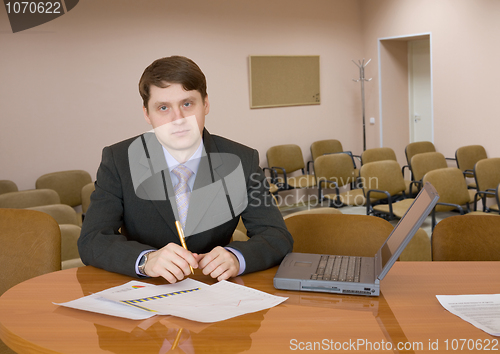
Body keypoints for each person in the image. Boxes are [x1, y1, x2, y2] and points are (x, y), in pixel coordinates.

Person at [78, 56, 293, 284]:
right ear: (146, 113)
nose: (178, 119)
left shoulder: (242, 160)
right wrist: (145, 260)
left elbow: (276, 235)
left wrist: (237, 257)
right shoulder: (119, 160)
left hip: (215, 292)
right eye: (163, 108)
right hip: (145, 295)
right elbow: (92, 239)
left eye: (187, 104)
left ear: (206, 104)